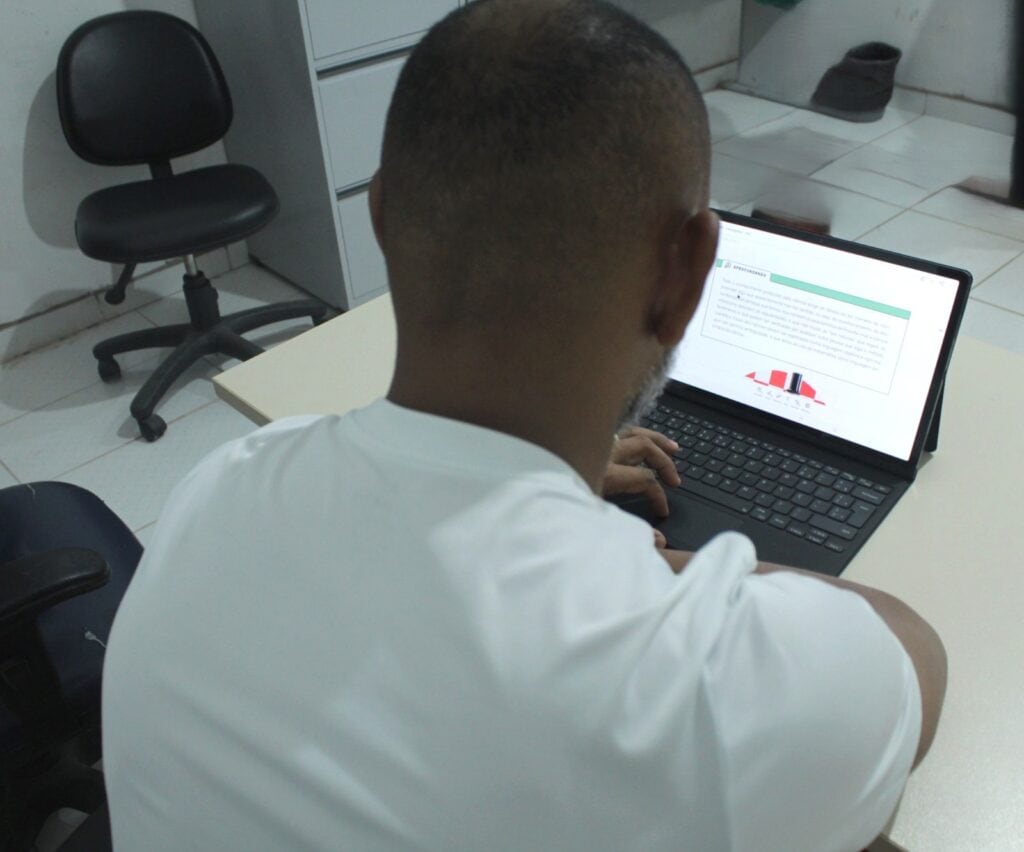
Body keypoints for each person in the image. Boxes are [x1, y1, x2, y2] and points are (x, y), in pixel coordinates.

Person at [101, 1, 946, 849]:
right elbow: (907, 645)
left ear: (384, 218)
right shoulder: (700, 693)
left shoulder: (220, 486)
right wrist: (652, 558)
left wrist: (543, 493)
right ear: (687, 275)